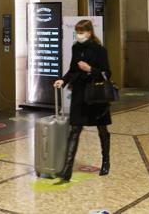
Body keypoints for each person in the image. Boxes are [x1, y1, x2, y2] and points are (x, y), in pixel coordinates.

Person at [53, 20, 111, 181]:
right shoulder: (75, 47)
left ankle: (106, 161)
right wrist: (63, 81)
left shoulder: (100, 50)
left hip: (96, 95)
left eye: (81, 32)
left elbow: (107, 73)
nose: (79, 35)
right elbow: (72, 70)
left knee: (102, 129)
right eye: (77, 31)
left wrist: (90, 69)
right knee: (75, 129)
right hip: (79, 93)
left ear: (89, 32)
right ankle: (67, 169)